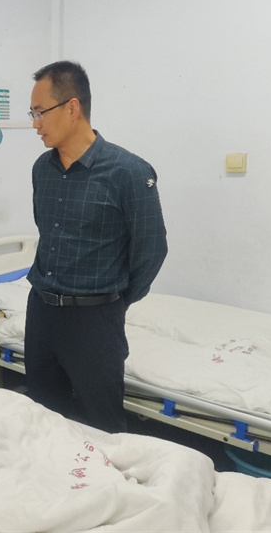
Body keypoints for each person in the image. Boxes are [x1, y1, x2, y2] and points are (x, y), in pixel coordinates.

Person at [25, 60, 167, 434]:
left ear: (72, 107)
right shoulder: (42, 169)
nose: (35, 124)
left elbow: (152, 250)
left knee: (103, 427)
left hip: (94, 321)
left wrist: (113, 301)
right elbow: (46, 232)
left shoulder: (129, 172)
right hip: (41, 312)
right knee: (42, 421)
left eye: (40, 112)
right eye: (32, 114)